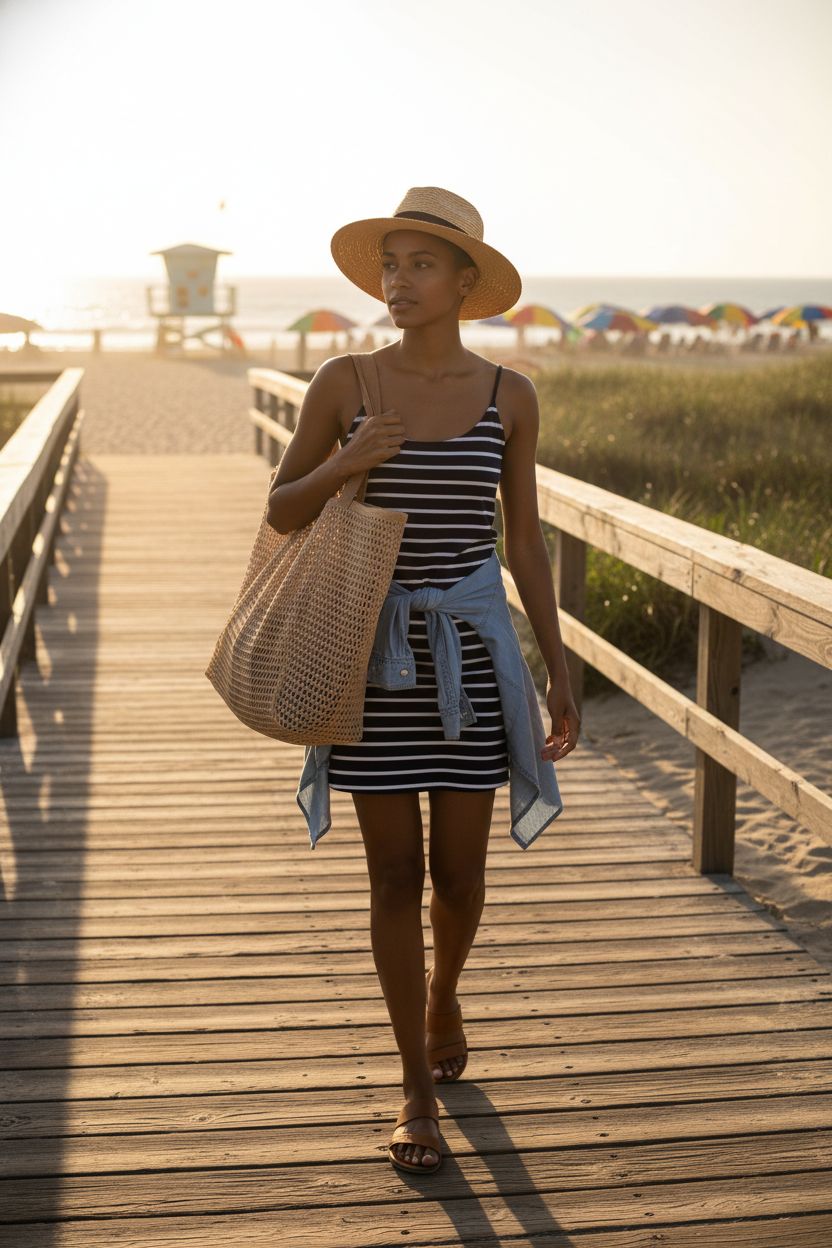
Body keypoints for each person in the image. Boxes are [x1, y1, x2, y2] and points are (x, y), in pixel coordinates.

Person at [267, 187, 581, 1176]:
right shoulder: (345, 380)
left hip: (473, 664)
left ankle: (447, 991)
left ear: (464, 283)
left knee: (462, 875)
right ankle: (412, 1087)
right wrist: (347, 460)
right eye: (389, 266)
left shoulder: (509, 394)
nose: (396, 283)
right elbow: (280, 512)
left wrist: (558, 673)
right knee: (393, 876)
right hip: (371, 661)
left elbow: (521, 540)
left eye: (418, 266)